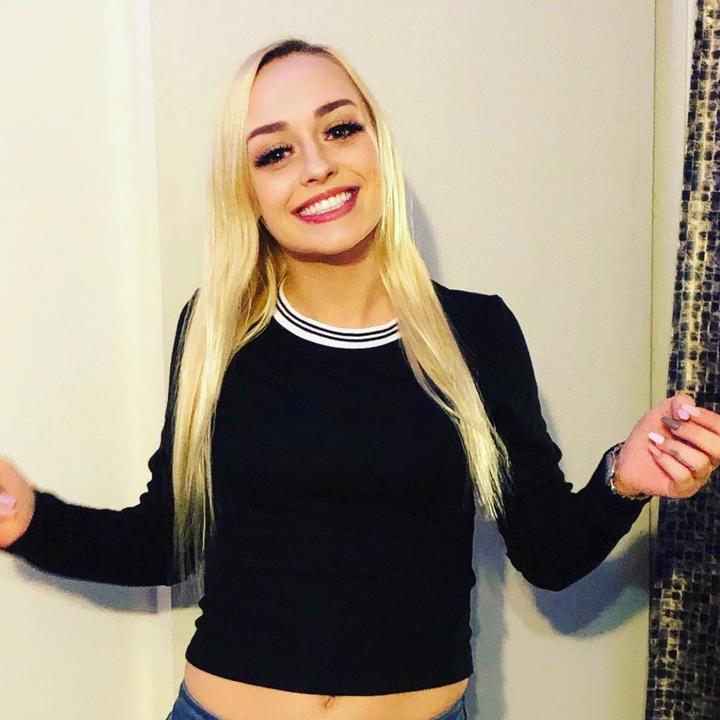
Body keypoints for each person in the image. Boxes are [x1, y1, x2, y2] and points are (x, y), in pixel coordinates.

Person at [1, 36, 718, 720]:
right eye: (275, 152)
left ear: (378, 144)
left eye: (339, 130)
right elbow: (169, 540)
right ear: (246, 190)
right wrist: (30, 519)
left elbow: (548, 553)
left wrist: (626, 477)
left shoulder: (477, 333)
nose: (316, 166)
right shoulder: (217, 331)